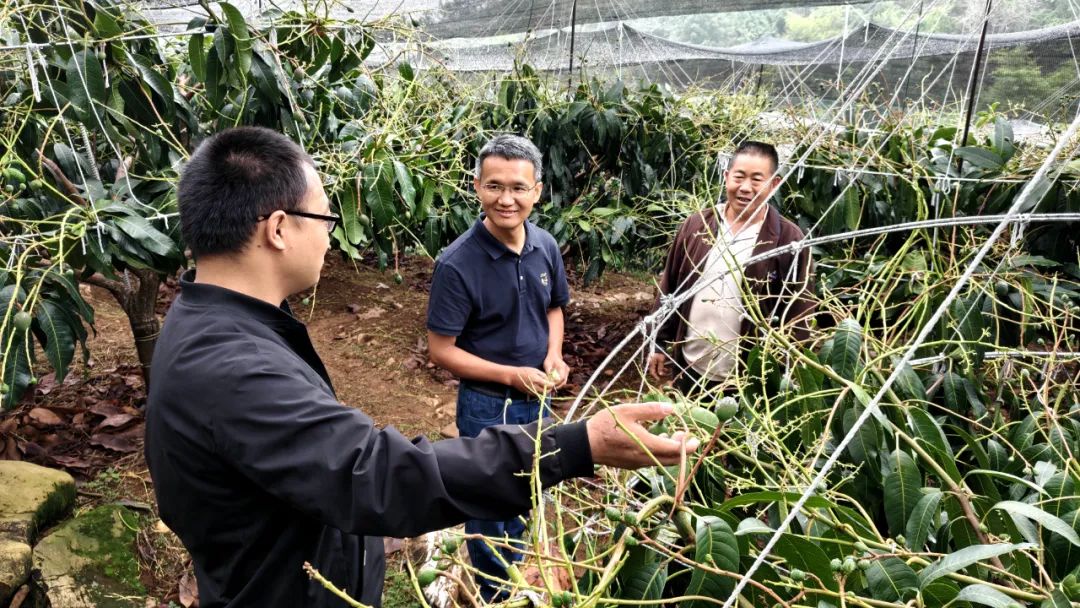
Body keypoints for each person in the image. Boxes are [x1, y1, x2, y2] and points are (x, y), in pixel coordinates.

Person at [144, 126, 697, 608]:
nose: (330, 236)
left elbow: (322, 465)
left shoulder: (225, 325)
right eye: (326, 217)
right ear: (280, 228)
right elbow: (377, 475)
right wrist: (577, 444)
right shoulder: (232, 365)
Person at [425, 134, 570, 601]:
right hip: (488, 405)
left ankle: (517, 568)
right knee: (488, 502)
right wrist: (510, 375)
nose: (506, 199)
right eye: (493, 186)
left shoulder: (545, 245)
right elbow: (441, 350)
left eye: (517, 188)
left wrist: (554, 355)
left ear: (537, 191)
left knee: (531, 487)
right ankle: (494, 592)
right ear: (476, 187)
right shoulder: (457, 264)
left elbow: (553, 308)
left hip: (539, 398)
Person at [647, 141, 815, 395]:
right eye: (739, 177)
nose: (745, 188)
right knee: (685, 431)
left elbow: (799, 311)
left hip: (748, 378)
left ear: (774, 185)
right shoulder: (697, 225)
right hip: (690, 366)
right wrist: (657, 342)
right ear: (726, 177)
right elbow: (670, 286)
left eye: (757, 180)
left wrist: (789, 370)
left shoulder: (788, 239)